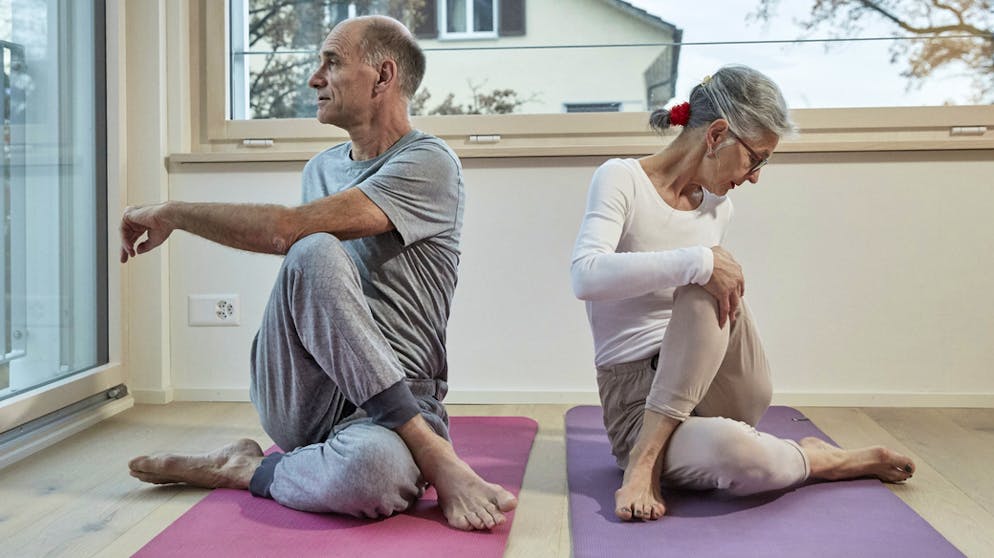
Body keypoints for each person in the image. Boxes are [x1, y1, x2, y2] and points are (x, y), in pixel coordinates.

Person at [122, 15, 515, 531]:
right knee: (312, 252)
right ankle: (430, 452)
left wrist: (175, 212)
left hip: (400, 399)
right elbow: (297, 246)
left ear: (382, 76)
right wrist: (175, 211)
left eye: (331, 62)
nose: (314, 78)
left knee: (372, 474)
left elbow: (285, 229)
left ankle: (248, 469)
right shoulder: (320, 169)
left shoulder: (430, 162)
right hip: (300, 392)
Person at [570, 64, 916, 522]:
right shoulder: (621, 179)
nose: (755, 176)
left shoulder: (719, 206)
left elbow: (710, 291)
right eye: (757, 158)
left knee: (713, 272)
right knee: (747, 459)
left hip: (724, 385)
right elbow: (585, 276)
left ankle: (654, 458)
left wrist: (705, 263)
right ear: (716, 135)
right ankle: (817, 458)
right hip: (638, 396)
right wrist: (699, 261)